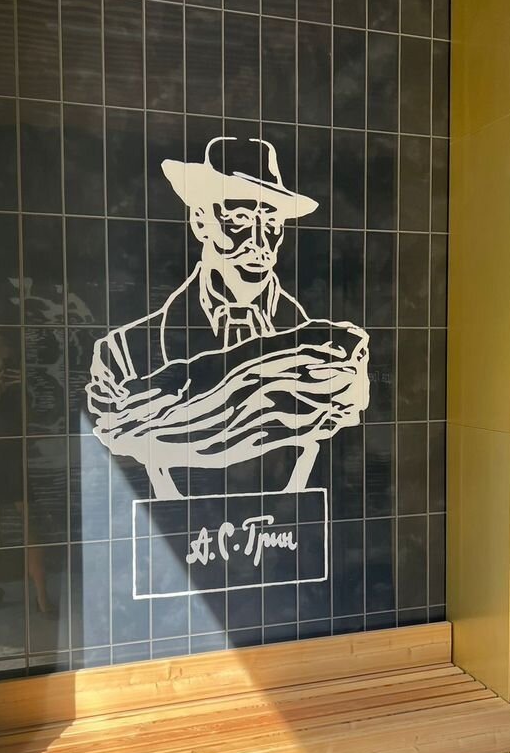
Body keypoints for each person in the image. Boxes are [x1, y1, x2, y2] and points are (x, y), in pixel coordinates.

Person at [87, 136, 370, 499]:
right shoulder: (123, 355)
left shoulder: (330, 360)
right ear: (201, 222)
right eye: (239, 219)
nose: (259, 240)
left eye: (271, 222)